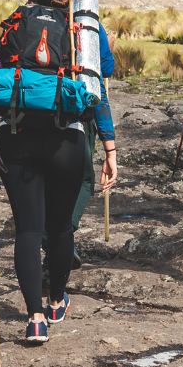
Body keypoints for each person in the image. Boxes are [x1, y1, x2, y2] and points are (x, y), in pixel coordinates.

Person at [0, 0, 117, 345]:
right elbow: (99, 82)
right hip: (66, 137)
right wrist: (110, 147)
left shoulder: (15, 25)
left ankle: (34, 319)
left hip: (16, 133)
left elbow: (0, 71)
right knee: (61, 227)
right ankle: (56, 300)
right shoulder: (81, 32)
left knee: (28, 230)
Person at [68, 17, 118, 244]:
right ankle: (61, 239)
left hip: (27, 114)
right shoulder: (88, 22)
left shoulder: (25, 21)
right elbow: (105, 69)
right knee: (83, 181)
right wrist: (110, 149)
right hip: (78, 117)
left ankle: (54, 239)